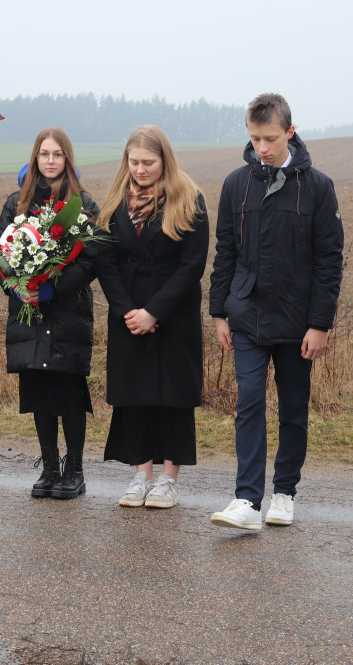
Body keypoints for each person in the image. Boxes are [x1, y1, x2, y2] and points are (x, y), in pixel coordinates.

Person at [209, 93, 344, 530]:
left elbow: (329, 261)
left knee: (292, 408)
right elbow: (225, 252)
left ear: (289, 131)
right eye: (254, 138)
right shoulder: (236, 184)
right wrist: (219, 313)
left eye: (269, 138)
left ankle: (284, 493)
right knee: (248, 402)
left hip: (297, 320)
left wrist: (319, 324)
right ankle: (246, 500)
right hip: (246, 314)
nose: (261, 147)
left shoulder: (318, 187)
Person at [95, 125, 209, 509]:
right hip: (127, 315)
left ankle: (168, 480)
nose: (141, 170)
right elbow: (105, 263)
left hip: (173, 317)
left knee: (172, 397)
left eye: (149, 162)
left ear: (165, 160)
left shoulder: (190, 199)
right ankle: (141, 474)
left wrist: (155, 312)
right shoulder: (114, 201)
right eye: (134, 162)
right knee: (135, 396)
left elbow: (192, 266)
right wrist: (129, 311)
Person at [0, 128, 99, 499]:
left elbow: (89, 261)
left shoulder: (83, 205)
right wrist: (18, 286)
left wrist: (54, 287)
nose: (50, 160)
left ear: (67, 160)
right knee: (39, 391)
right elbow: (0, 254)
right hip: (30, 314)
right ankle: (50, 467)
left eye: (56, 154)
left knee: (68, 391)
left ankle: (76, 470)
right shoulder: (16, 204)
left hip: (68, 312)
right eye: (43, 154)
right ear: (34, 158)